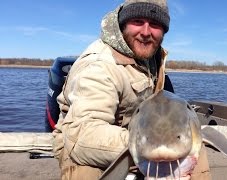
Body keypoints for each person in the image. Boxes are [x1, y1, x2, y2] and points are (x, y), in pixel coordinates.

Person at [52, 0, 211, 179]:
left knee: (195, 145)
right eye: (137, 22)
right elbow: (82, 136)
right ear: (123, 24)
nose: (145, 32)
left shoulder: (151, 54)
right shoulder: (99, 66)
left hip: (140, 129)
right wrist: (145, 142)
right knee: (85, 172)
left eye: (155, 24)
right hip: (85, 142)